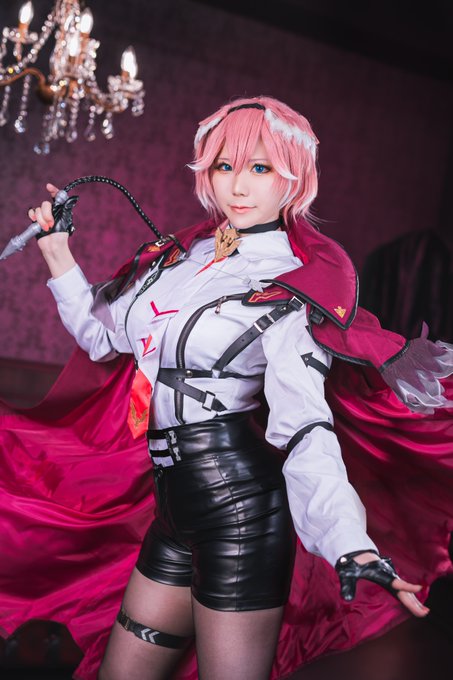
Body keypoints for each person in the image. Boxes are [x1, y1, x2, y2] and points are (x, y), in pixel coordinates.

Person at [24, 96, 451, 680]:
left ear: (293, 179)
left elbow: (305, 426)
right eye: (224, 166)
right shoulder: (180, 260)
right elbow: (104, 338)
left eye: (260, 167)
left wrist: (349, 541)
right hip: (172, 511)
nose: (238, 185)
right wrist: (56, 251)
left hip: (241, 514)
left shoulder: (292, 288)